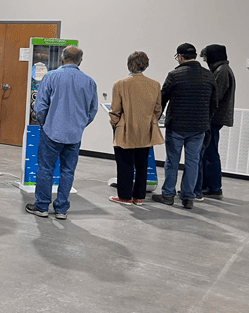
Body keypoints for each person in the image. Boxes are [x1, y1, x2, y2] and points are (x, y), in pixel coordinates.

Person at [26, 46, 97, 220]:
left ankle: (42, 206)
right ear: (80, 61)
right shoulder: (89, 82)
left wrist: (45, 123)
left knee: (45, 169)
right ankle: (61, 209)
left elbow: (40, 107)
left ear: (62, 59)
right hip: (74, 135)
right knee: (67, 171)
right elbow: (92, 111)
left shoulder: (51, 77)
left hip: (51, 132)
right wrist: (79, 125)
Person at [152, 43, 216, 209]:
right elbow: (214, 103)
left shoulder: (175, 75)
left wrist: (155, 118)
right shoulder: (208, 75)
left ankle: (168, 194)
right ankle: (188, 197)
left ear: (180, 57)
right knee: (193, 162)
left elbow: (162, 99)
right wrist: (205, 121)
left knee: (172, 161)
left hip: (177, 126)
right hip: (199, 127)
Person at [108, 51, 164, 206]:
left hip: (125, 129)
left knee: (125, 164)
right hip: (146, 130)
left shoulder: (120, 84)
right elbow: (158, 110)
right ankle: (138, 197)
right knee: (142, 163)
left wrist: (115, 124)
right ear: (146, 65)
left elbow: (115, 111)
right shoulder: (155, 85)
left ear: (129, 64)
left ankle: (125, 196)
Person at [197, 44, 235, 199]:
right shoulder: (222, 69)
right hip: (215, 117)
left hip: (214, 117)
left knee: (210, 152)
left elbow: (214, 96)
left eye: (206, 57)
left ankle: (213, 187)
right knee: (208, 151)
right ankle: (208, 185)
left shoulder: (222, 71)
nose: (205, 60)